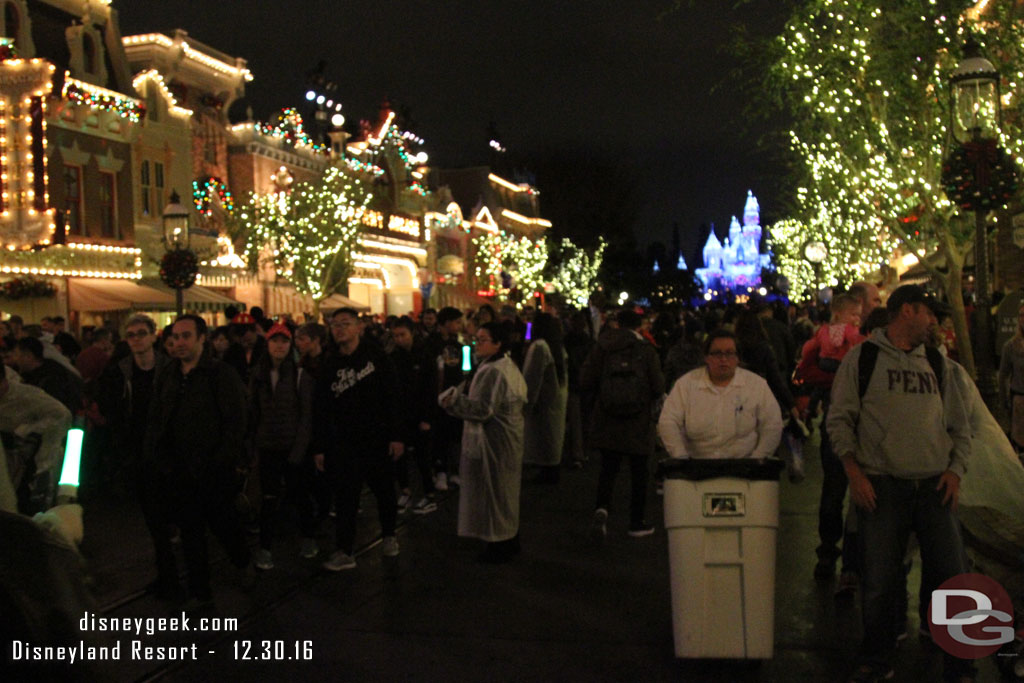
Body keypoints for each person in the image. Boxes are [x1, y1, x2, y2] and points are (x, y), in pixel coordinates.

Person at [827, 285, 973, 683]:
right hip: (883, 486)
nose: (935, 322)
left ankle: (960, 663)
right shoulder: (864, 359)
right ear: (907, 311)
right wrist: (854, 473)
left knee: (952, 575)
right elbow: (839, 421)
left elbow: (961, 427)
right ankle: (876, 657)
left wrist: (955, 470)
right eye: (930, 313)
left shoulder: (940, 365)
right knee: (879, 581)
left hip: (933, 488)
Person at [142, 314, 252, 606]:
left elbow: (235, 423)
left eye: (186, 336)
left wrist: (222, 461)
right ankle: (199, 592)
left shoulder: (220, 374)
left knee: (222, 523)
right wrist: (156, 455)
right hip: (178, 469)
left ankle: (242, 560)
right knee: (190, 533)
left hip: (212, 468)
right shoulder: (168, 374)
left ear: (202, 338)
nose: (179, 343)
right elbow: (157, 416)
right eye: (175, 337)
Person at [313, 308, 404, 571]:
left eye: (345, 324)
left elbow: (393, 397)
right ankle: (345, 550)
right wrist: (320, 446)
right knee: (345, 497)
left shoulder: (376, 357)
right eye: (335, 324)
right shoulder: (330, 363)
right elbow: (321, 407)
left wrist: (396, 435)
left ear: (358, 327)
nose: (339, 329)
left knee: (384, 490)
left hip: (376, 437)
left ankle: (389, 535)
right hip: (343, 442)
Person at [439, 322, 527, 563]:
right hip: (504, 440)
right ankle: (508, 538)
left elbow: (484, 409)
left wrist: (453, 402)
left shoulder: (495, 371)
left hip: (496, 442)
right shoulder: (501, 365)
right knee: (504, 491)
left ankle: (499, 544)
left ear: (498, 343)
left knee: (495, 491)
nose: (477, 344)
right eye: (476, 339)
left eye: (483, 340)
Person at [580, 309, 665, 539]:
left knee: (608, 469)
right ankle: (636, 522)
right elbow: (658, 386)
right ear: (640, 326)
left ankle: (602, 509)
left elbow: (586, 379)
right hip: (638, 420)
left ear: (617, 324)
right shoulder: (646, 350)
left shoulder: (603, 346)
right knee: (639, 472)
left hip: (608, 417)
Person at [247, 323, 315, 569]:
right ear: (267, 344)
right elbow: (252, 414)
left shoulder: (299, 376)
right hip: (267, 448)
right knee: (268, 498)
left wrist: (299, 450)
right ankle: (265, 548)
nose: (279, 346)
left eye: (284, 342)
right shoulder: (258, 375)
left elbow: (307, 416)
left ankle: (308, 537)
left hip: (292, 447)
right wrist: (253, 447)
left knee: (299, 494)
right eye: (275, 341)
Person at [658, 328, 783, 460]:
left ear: (737, 358)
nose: (724, 359)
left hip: (746, 466)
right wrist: (681, 456)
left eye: (729, 353)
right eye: (717, 354)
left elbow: (772, 424)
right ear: (706, 357)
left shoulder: (757, 385)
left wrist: (758, 458)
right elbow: (668, 421)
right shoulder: (685, 385)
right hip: (696, 467)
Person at [0, 373, 72, 513]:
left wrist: (23, 431)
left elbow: (62, 415)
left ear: (3, 381)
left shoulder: (27, 396)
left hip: (30, 460)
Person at [388, 317, 437, 514]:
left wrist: (427, 418)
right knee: (399, 454)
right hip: (402, 414)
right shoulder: (393, 358)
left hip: (420, 413)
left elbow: (431, 388)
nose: (399, 339)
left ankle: (429, 493)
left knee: (422, 455)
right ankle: (406, 491)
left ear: (411, 333)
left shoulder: (424, 355)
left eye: (402, 335)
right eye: (396, 336)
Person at [522, 312, 569, 483]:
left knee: (542, 436)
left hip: (543, 400)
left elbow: (532, 377)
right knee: (552, 436)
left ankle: (546, 470)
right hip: (555, 399)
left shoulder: (540, 347)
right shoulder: (556, 346)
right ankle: (551, 468)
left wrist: (526, 402)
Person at [9, 337, 83, 415]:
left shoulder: (52, 377)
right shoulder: (30, 374)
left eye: (16, 355)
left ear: (28, 356)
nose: (15, 359)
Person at [999, 302, 1024, 453]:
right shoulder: (1011, 346)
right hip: (1020, 401)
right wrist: (1004, 401)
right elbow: (1003, 375)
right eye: (1021, 315)